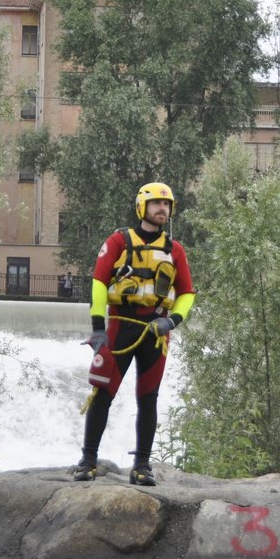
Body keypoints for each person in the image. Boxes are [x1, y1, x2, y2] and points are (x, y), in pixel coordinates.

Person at [75, 181, 195, 486]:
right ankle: (88, 461)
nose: (162, 209)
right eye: (156, 203)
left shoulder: (174, 250)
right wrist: (98, 328)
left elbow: (187, 293)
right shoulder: (118, 241)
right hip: (119, 326)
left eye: (166, 205)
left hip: (156, 330)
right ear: (142, 207)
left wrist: (173, 321)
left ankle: (142, 465)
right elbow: (99, 282)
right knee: (103, 393)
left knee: (148, 398)